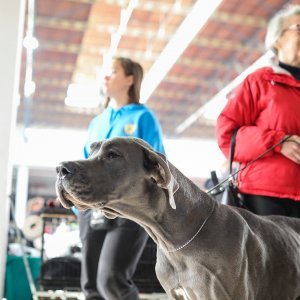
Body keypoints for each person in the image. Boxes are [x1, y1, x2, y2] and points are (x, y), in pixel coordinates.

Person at [78, 56, 165, 300]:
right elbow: (85, 162)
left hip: (129, 210)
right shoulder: (97, 121)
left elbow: (156, 162)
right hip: (92, 210)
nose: (106, 76)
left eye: (113, 71)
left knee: (111, 282)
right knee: (91, 286)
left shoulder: (143, 118)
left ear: (130, 79)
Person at [216, 4, 300, 217]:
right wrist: (279, 142)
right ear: (277, 40)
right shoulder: (259, 82)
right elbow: (228, 136)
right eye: (299, 28)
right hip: (265, 195)